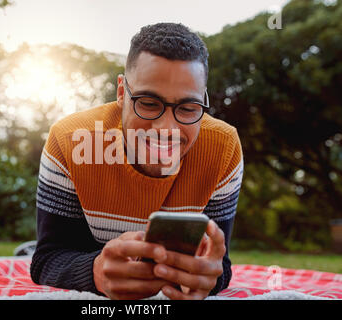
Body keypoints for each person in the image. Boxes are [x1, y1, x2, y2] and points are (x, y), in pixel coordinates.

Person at [29, 22, 243, 300]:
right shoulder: (69, 140)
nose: (166, 128)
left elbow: (219, 264)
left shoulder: (223, 148)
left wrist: (208, 278)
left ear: (202, 101)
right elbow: (48, 258)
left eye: (188, 108)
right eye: (149, 103)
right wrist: (95, 272)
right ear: (121, 93)